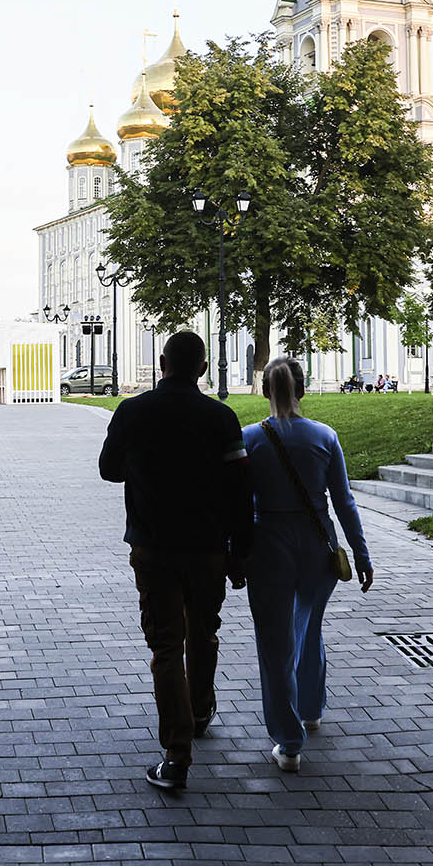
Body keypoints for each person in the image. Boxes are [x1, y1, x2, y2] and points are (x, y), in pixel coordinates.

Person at [96, 330, 252, 791]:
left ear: (162, 362)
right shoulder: (222, 418)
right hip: (207, 547)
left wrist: (141, 468)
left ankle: (176, 754)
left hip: (153, 545)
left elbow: (108, 469)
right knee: (204, 631)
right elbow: (240, 491)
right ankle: (200, 709)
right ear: (203, 369)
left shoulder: (132, 412)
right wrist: (240, 551)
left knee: (166, 645)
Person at [241, 356, 373, 774]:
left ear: (265, 391)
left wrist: (232, 552)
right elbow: (344, 501)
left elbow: (239, 504)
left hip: (269, 545)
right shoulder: (325, 436)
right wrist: (362, 552)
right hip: (319, 546)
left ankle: (289, 740)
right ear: (301, 389)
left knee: (275, 644)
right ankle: (312, 709)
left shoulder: (250, 439)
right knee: (309, 624)